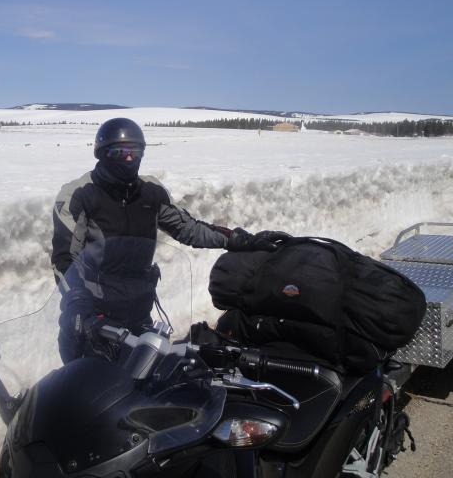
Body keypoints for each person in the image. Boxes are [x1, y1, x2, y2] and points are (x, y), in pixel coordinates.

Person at [51, 117, 288, 363]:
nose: (129, 158)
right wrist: (78, 306)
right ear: (102, 153)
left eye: (135, 151)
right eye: (119, 151)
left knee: (146, 392)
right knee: (87, 393)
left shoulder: (150, 193)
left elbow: (189, 228)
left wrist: (241, 240)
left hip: (138, 316)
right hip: (93, 319)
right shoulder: (79, 195)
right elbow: (64, 259)